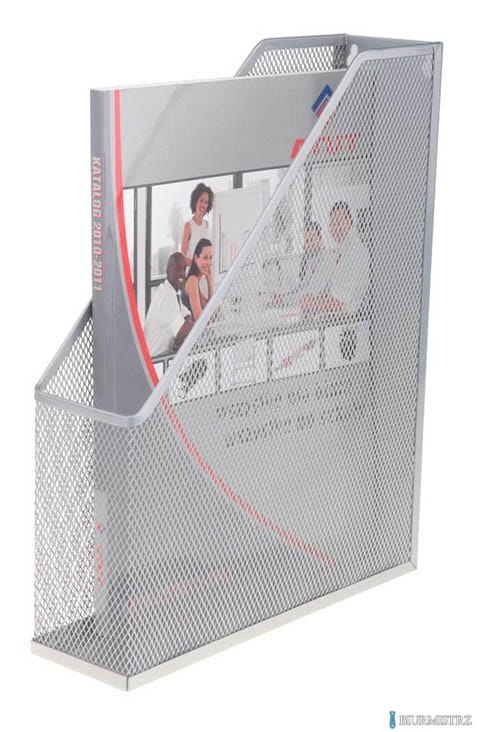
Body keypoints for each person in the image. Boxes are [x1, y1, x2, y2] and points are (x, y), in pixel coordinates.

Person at [300, 202, 370, 314]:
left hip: (347, 319)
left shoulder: (351, 253)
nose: (334, 228)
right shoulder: (344, 249)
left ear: (349, 222)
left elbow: (339, 303)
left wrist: (311, 303)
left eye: (338, 222)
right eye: (332, 224)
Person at [143, 253, 193, 356]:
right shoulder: (167, 295)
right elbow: (181, 330)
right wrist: (202, 324)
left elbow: (188, 316)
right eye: (178, 268)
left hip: (165, 358)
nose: (182, 273)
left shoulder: (172, 292)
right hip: (156, 362)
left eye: (184, 269)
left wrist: (186, 326)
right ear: (167, 271)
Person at [181, 183, 214, 266]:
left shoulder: (206, 224)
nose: (203, 205)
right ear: (195, 201)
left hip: (203, 270)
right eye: (201, 201)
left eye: (206, 202)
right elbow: (182, 258)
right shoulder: (188, 226)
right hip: (192, 271)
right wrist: (197, 265)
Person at [182, 238, 213, 321]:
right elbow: (199, 318)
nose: (209, 263)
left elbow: (211, 310)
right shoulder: (192, 280)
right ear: (196, 258)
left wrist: (209, 280)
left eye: (210, 258)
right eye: (205, 257)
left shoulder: (195, 282)